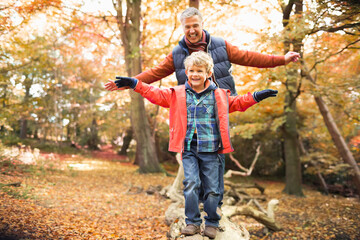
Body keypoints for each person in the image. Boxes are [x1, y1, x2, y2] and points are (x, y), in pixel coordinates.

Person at [104, 7, 300, 210]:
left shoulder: (220, 45)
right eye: (187, 27)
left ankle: (214, 207)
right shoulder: (178, 53)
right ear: (183, 27)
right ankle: (191, 203)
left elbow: (249, 57)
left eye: (195, 25)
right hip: (191, 111)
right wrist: (129, 83)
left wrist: (281, 59)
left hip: (220, 106)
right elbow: (155, 73)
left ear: (202, 25)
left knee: (215, 157)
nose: (191, 30)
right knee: (190, 156)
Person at [109, 51, 278, 239]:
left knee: (213, 189)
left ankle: (212, 222)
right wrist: (135, 84)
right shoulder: (177, 93)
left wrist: (256, 96)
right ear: (186, 72)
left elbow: (238, 102)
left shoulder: (219, 95)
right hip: (189, 148)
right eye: (191, 70)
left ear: (208, 73)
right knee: (191, 184)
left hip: (212, 149)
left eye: (199, 70)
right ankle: (192, 222)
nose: (195, 74)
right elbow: (154, 93)